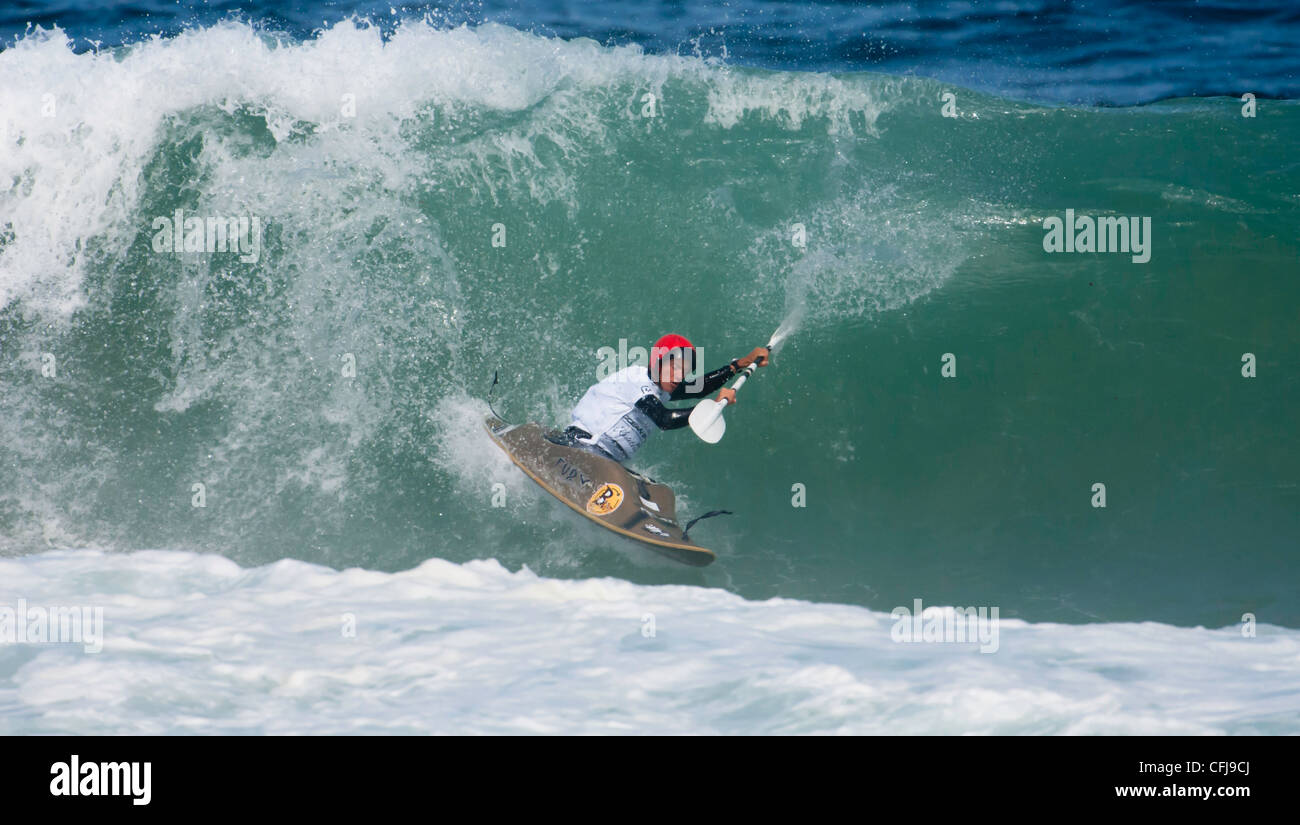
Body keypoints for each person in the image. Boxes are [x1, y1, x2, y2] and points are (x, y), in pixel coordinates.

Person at [562, 334, 770, 462]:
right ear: (658, 361)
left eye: (684, 370)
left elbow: (697, 388)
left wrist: (738, 365)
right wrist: (713, 406)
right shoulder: (637, 380)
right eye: (675, 366)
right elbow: (664, 419)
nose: (679, 375)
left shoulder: (661, 385)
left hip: (606, 459)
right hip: (580, 444)